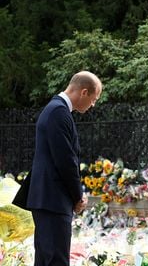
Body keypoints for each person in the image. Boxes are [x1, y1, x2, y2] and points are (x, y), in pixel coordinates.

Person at [27, 71, 102, 265]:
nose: (93, 105)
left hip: (47, 199)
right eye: (94, 99)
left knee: (46, 259)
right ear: (84, 92)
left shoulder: (54, 110)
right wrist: (77, 196)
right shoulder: (58, 112)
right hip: (53, 199)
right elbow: (65, 161)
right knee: (56, 260)